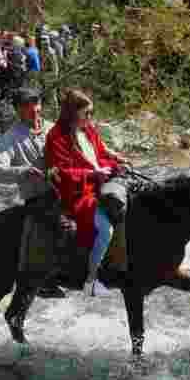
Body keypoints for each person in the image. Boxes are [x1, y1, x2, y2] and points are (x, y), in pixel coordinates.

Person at [45, 89, 129, 297]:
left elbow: (99, 155)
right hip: (77, 193)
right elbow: (61, 172)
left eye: (91, 113)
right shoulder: (56, 136)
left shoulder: (88, 130)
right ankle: (90, 280)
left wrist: (116, 164)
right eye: (86, 113)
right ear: (73, 114)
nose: (90, 118)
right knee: (105, 229)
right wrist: (93, 174)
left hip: (101, 183)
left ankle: (122, 263)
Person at [0, 87, 65, 298]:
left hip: (66, 189)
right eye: (29, 112)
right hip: (38, 196)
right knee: (58, 224)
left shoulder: (54, 128)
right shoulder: (11, 138)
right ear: (18, 112)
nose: (35, 115)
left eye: (37, 110)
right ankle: (44, 280)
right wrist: (24, 171)